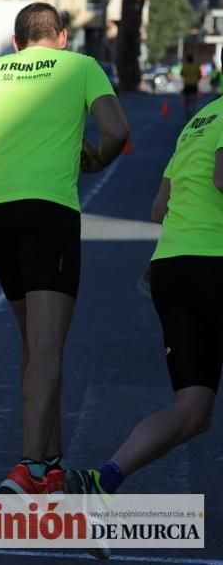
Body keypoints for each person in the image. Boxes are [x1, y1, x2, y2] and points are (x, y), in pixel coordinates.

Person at [0, 2, 130, 496]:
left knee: (34, 343)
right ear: (61, 36)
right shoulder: (80, 66)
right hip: (48, 210)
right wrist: (97, 159)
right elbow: (118, 131)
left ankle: (51, 463)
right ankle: (30, 467)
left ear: (16, 42)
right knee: (46, 344)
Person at [63, 96, 223, 559]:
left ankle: (101, 480)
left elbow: (159, 208)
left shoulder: (199, 120)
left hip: (173, 266)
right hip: (215, 263)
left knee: (193, 410)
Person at [180, 54, 202, 118]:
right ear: (193, 60)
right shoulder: (196, 66)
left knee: (187, 99)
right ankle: (192, 111)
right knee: (193, 99)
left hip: (186, 84)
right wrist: (196, 79)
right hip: (194, 84)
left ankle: (187, 111)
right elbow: (199, 75)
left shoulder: (185, 66)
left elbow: (181, 74)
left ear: (187, 60)